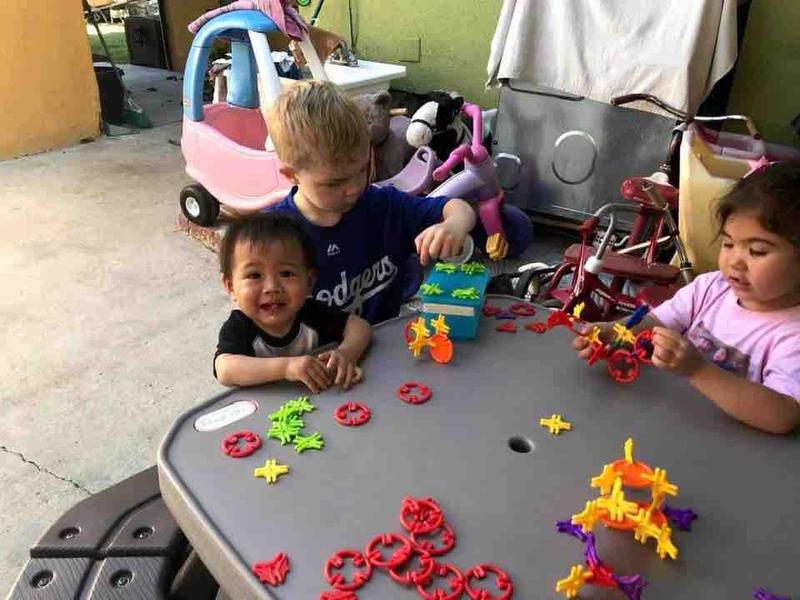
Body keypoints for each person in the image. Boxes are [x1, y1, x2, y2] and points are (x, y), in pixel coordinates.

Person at [573, 162, 800, 434]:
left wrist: (697, 370)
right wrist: (614, 332)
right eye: (728, 244)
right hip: (667, 420)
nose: (734, 261)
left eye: (758, 251)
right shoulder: (710, 288)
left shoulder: (792, 335)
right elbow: (657, 322)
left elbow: (783, 416)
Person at [264, 80, 476, 324]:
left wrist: (453, 226)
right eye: (335, 183)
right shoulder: (272, 237)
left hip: (382, 349)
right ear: (292, 175)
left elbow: (458, 208)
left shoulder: (384, 206)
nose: (355, 187)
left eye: (364, 168)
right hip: (315, 358)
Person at [214, 212, 371, 393]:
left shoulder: (312, 313)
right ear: (230, 286)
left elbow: (360, 327)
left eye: (286, 273)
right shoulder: (239, 328)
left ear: (309, 281)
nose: (272, 287)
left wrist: (346, 354)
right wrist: (287, 368)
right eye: (254, 275)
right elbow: (225, 370)